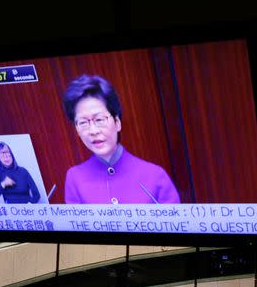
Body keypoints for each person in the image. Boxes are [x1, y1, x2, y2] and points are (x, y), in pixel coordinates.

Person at [62, 75, 180, 204]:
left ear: (117, 122)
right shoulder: (75, 178)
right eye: (83, 123)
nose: (93, 131)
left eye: (99, 120)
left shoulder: (155, 176)